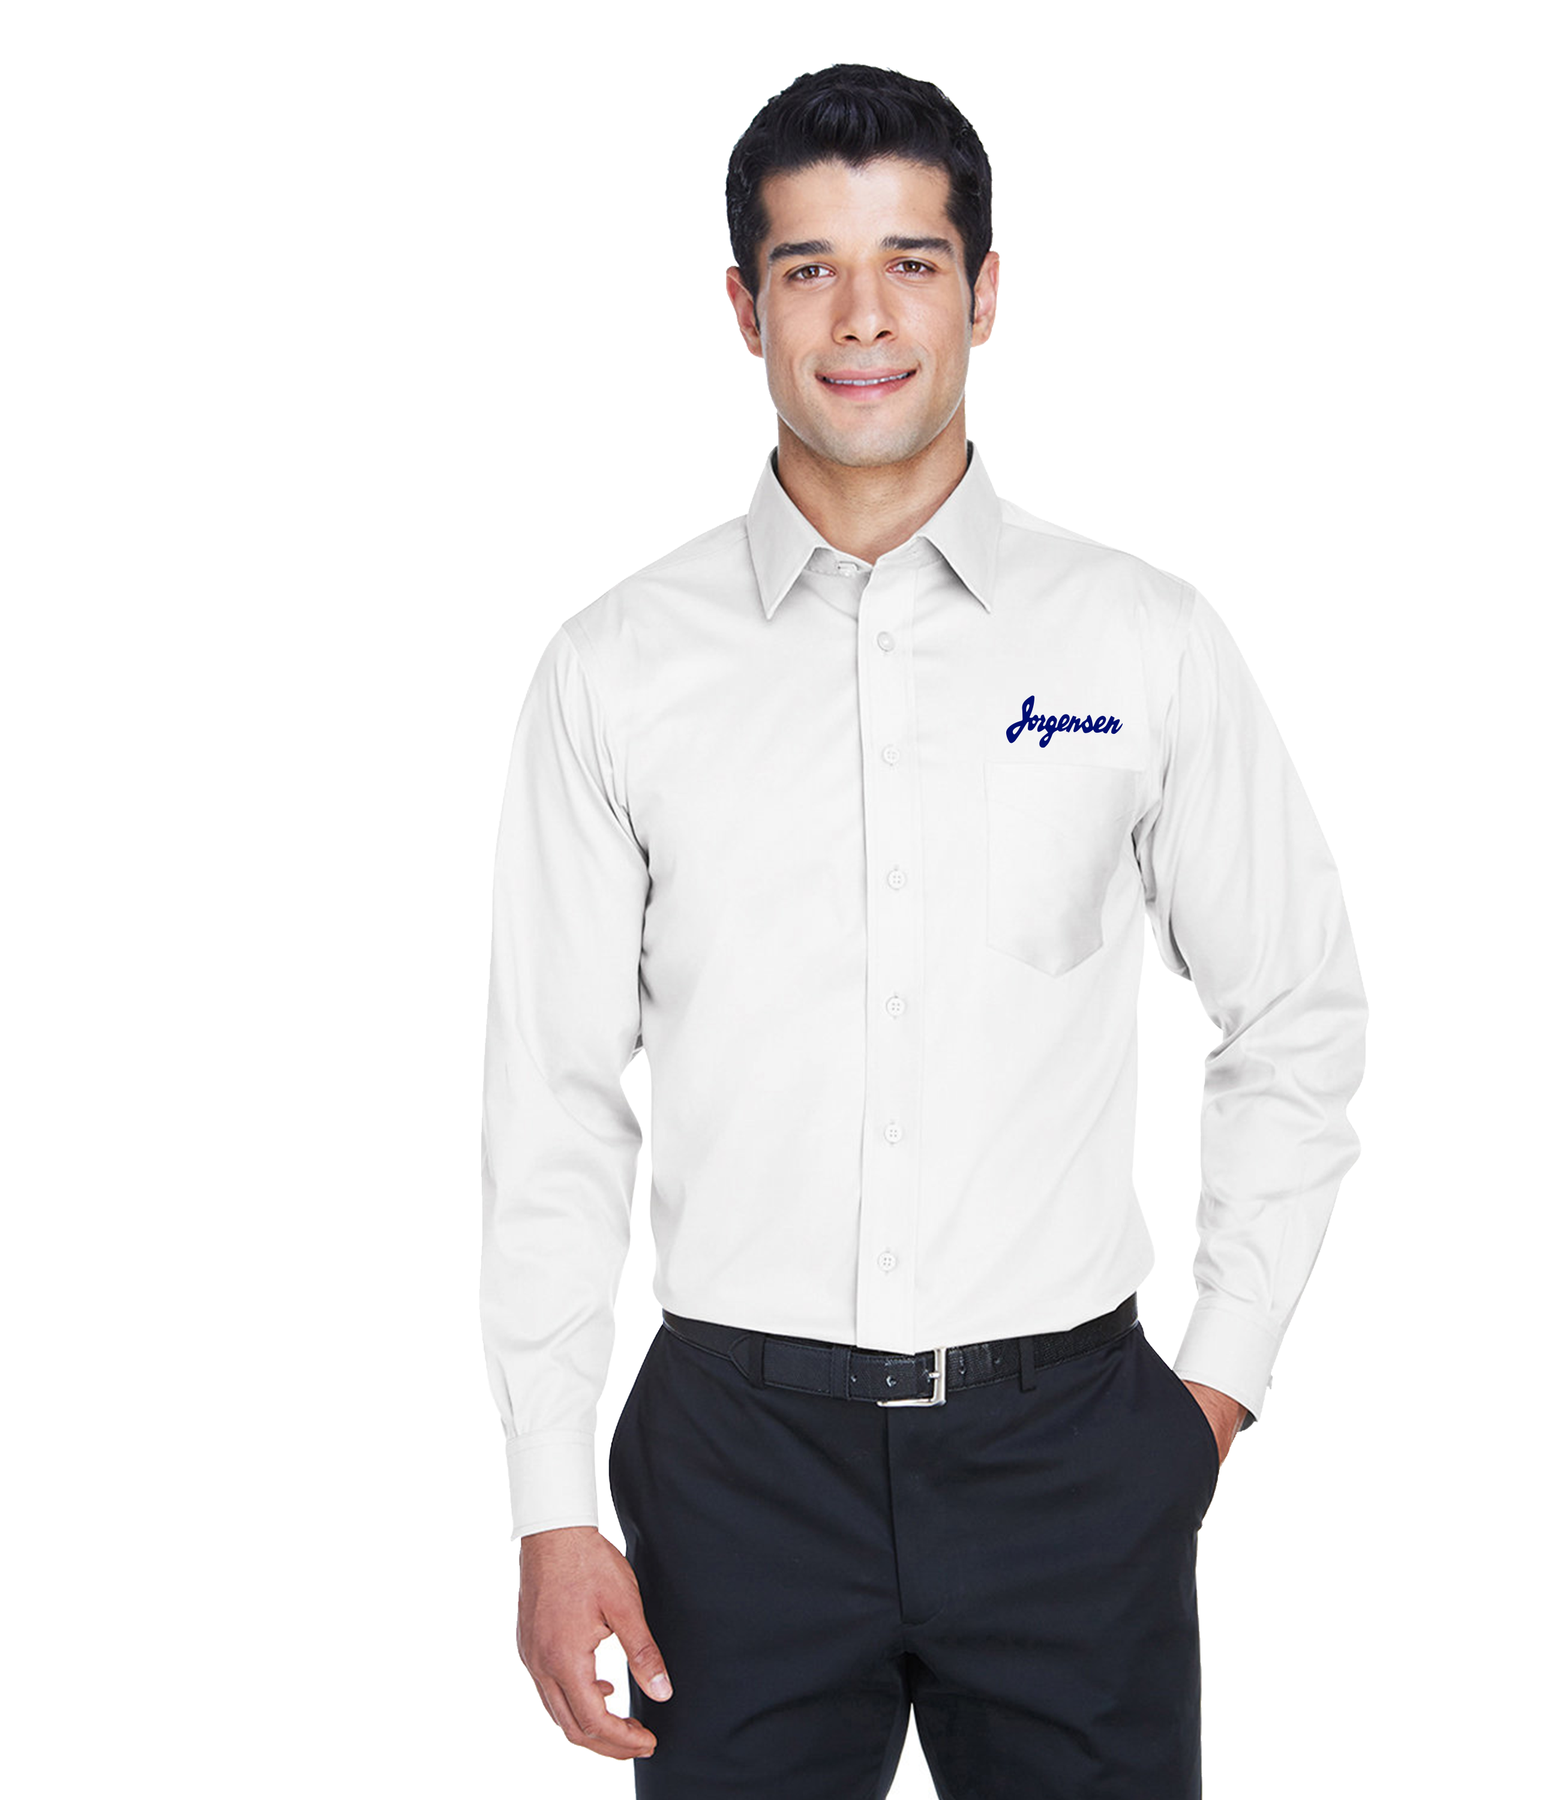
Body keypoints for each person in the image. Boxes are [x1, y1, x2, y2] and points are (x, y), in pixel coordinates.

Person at [479, 62, 1367, 1798]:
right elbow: (553, 1103)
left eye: (912, 261)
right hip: (735, 1467)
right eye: (809, 268)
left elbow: (1298, 1013)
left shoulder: (1141, 643)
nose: (865, 317)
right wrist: (548, 1501)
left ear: (986, 289)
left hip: (1074, 1452)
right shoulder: (617, 671)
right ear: (744, 307)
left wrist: (1211, 1395)